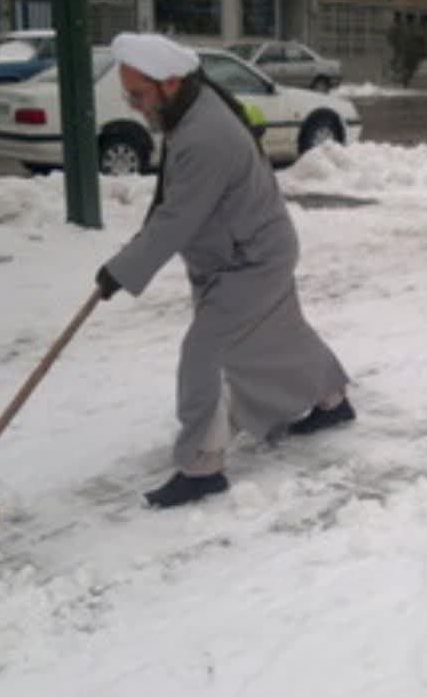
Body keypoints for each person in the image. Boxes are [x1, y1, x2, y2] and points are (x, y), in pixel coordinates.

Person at [95, 33, 353, 509]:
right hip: (248, 248)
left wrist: (121, 271)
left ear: (170, 83)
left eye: (139, 95)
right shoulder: (192, 108)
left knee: (205, 353)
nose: (134, 106)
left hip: (250, 260)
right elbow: (172, 205)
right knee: (283, 334)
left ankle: (202, 467)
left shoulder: (204, 134)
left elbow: (176, 218)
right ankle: (333, 401)